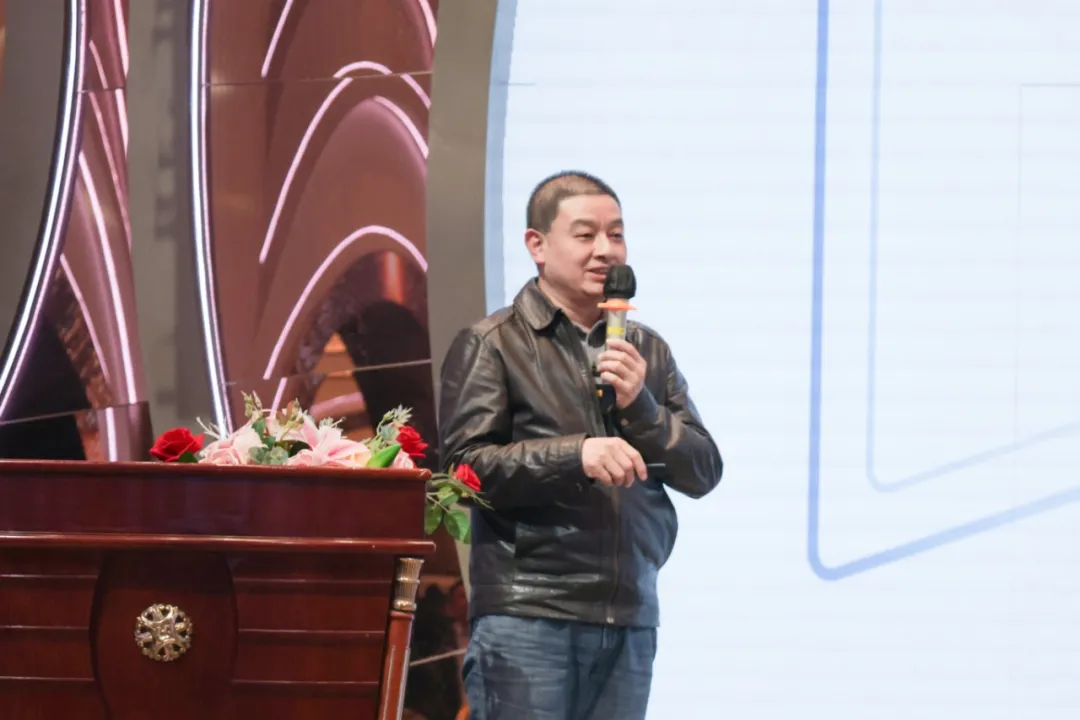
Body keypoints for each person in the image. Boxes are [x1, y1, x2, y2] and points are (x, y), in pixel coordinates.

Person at [438, 171, 723, 720]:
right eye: (586, 234)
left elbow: (703, 470)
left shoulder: (647, 351)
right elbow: (464, 471)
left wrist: (641, 406)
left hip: (629, 615)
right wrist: (577, 456)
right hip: (529, 613)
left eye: (616, 235)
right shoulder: (493, 344)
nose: (605, 251)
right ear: (537, 245)